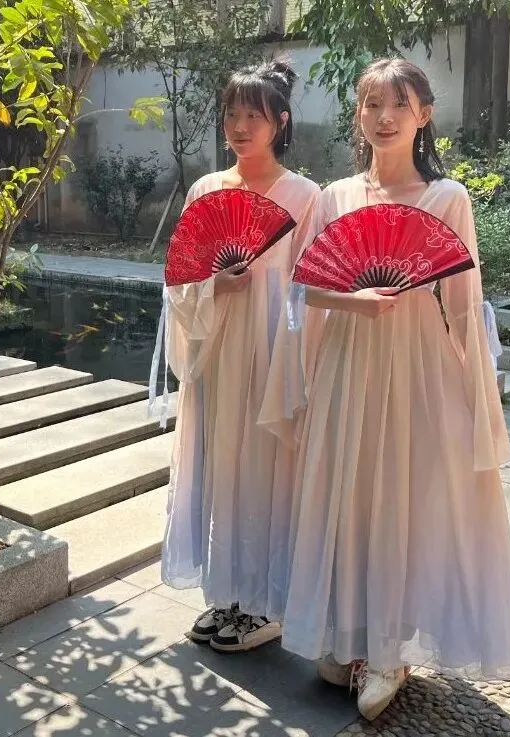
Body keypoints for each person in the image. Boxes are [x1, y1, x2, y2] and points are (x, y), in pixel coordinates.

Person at [280, 58, 510, 721]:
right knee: (351, 494)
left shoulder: (448, 199)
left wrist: (477, 397)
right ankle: (350, 633)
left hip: (419, 365)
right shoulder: (334, 196)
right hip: (348, 363)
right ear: (357, 114)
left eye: (399, 104)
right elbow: (305, 289)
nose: (384, 117)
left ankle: (388, 648)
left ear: (424, 115)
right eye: (371, 104)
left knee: (403, 498)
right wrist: (352, 301)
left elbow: (465, 306)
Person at [159, 58, 321, 653]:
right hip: (221, 350)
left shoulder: (306, 197)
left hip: (276, 351)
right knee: (221, 466)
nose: (240, 127)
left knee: (267, 471)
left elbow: (315, 287)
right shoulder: (206, 190)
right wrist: (213, 286)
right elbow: (179, 280)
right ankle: (227, 592)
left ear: (281, 121)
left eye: (254, 115)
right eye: (232, 114)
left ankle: (266, 603)